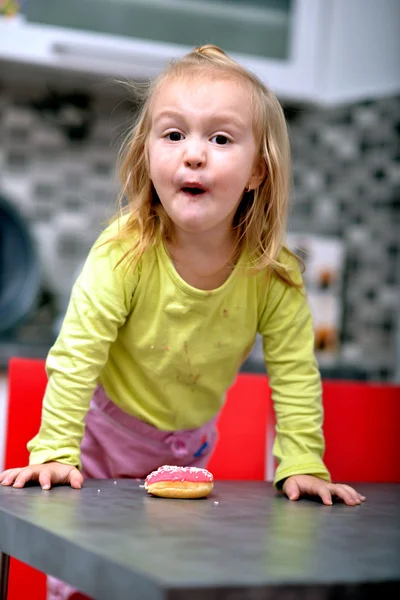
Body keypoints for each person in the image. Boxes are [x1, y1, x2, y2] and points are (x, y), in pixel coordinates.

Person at [0, 45, 365, 600]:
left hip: (188, 448)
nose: (193, 154)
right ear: (148, 155)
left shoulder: (275, 275)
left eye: (220, 138)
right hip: (99, 440)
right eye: (173, 135)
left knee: (161, 574)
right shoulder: (123, 251)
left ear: (257, 171)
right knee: (82, 577)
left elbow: (294, 375)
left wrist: (301, 462)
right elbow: (77, 355)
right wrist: (54, 452)